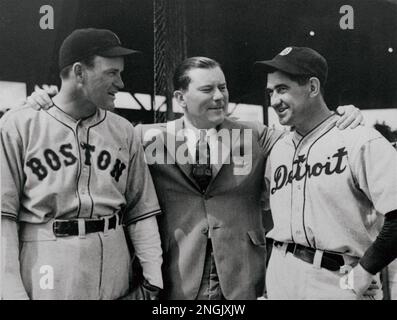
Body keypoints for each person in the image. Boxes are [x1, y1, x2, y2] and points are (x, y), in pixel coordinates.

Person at [24, 56, 362, 300]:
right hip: (178, 279)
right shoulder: (148, 138)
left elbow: (308, 136)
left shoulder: (255, 135)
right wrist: (45, 104)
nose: (219, 97)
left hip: (244, 278)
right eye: (207, 89)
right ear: (180, 98)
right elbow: (87, 133)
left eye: (223, 87)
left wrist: (341, 115)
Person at [0, 28, 163, 300]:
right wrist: (11, 291)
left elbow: (140, 212)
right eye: (111, 73)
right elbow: (4, 218)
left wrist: (153, 278)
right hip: (49, 256)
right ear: (79, 72)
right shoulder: (19, 125)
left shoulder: (123, 130)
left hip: (113, 256)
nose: (121, 83)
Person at [256, 46, 397, 299]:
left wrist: (365, 271)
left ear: (312, 87)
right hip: (281, 277)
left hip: (337, 279)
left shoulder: (360, 140)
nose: (274, 100)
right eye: (270, 92)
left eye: (282, 89)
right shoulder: (278, 149)